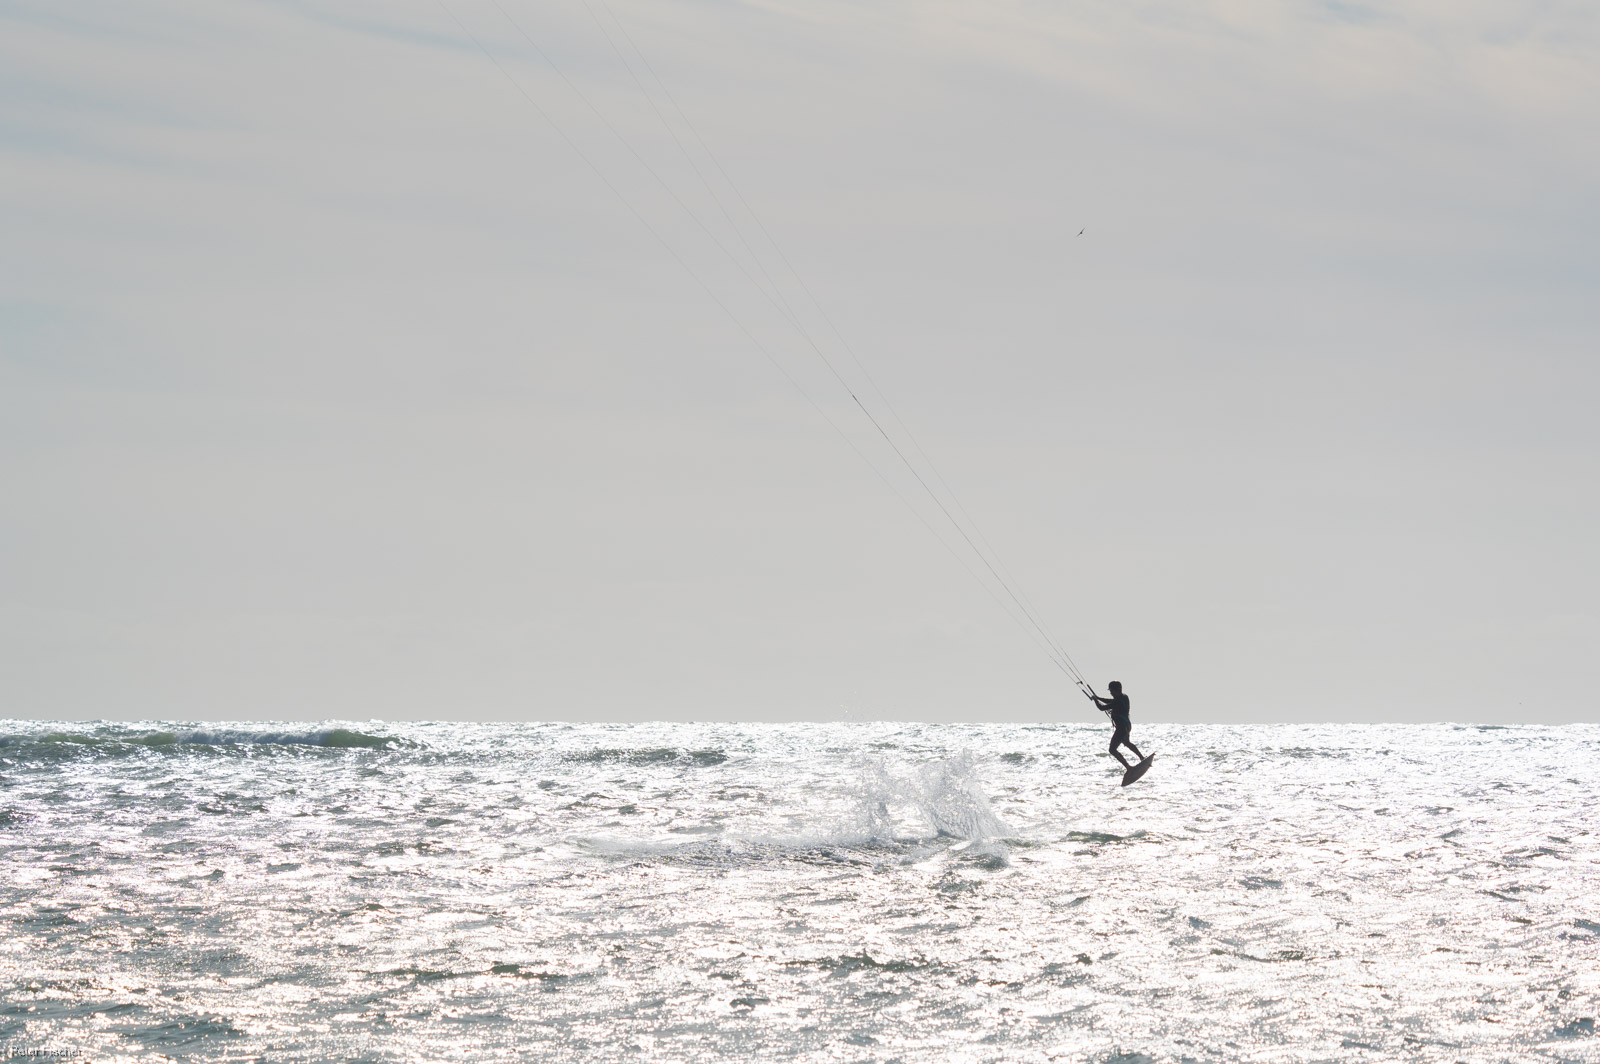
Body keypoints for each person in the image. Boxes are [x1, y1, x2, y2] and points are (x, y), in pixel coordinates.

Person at [1092, 680, 1144, 770]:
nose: (1111, 693)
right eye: (1110, 691)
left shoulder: (1117, 701)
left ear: (1118, 690)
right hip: (1127, 726)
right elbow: (1110, 701)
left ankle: (1128, 767)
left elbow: (1102, 708)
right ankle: (1142, 758)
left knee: (1112, 750)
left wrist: (1096, 700)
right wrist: (1098, 698)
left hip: (1121, 728)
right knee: (1127, 743)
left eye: (1112, 691)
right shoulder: (1124, 697)